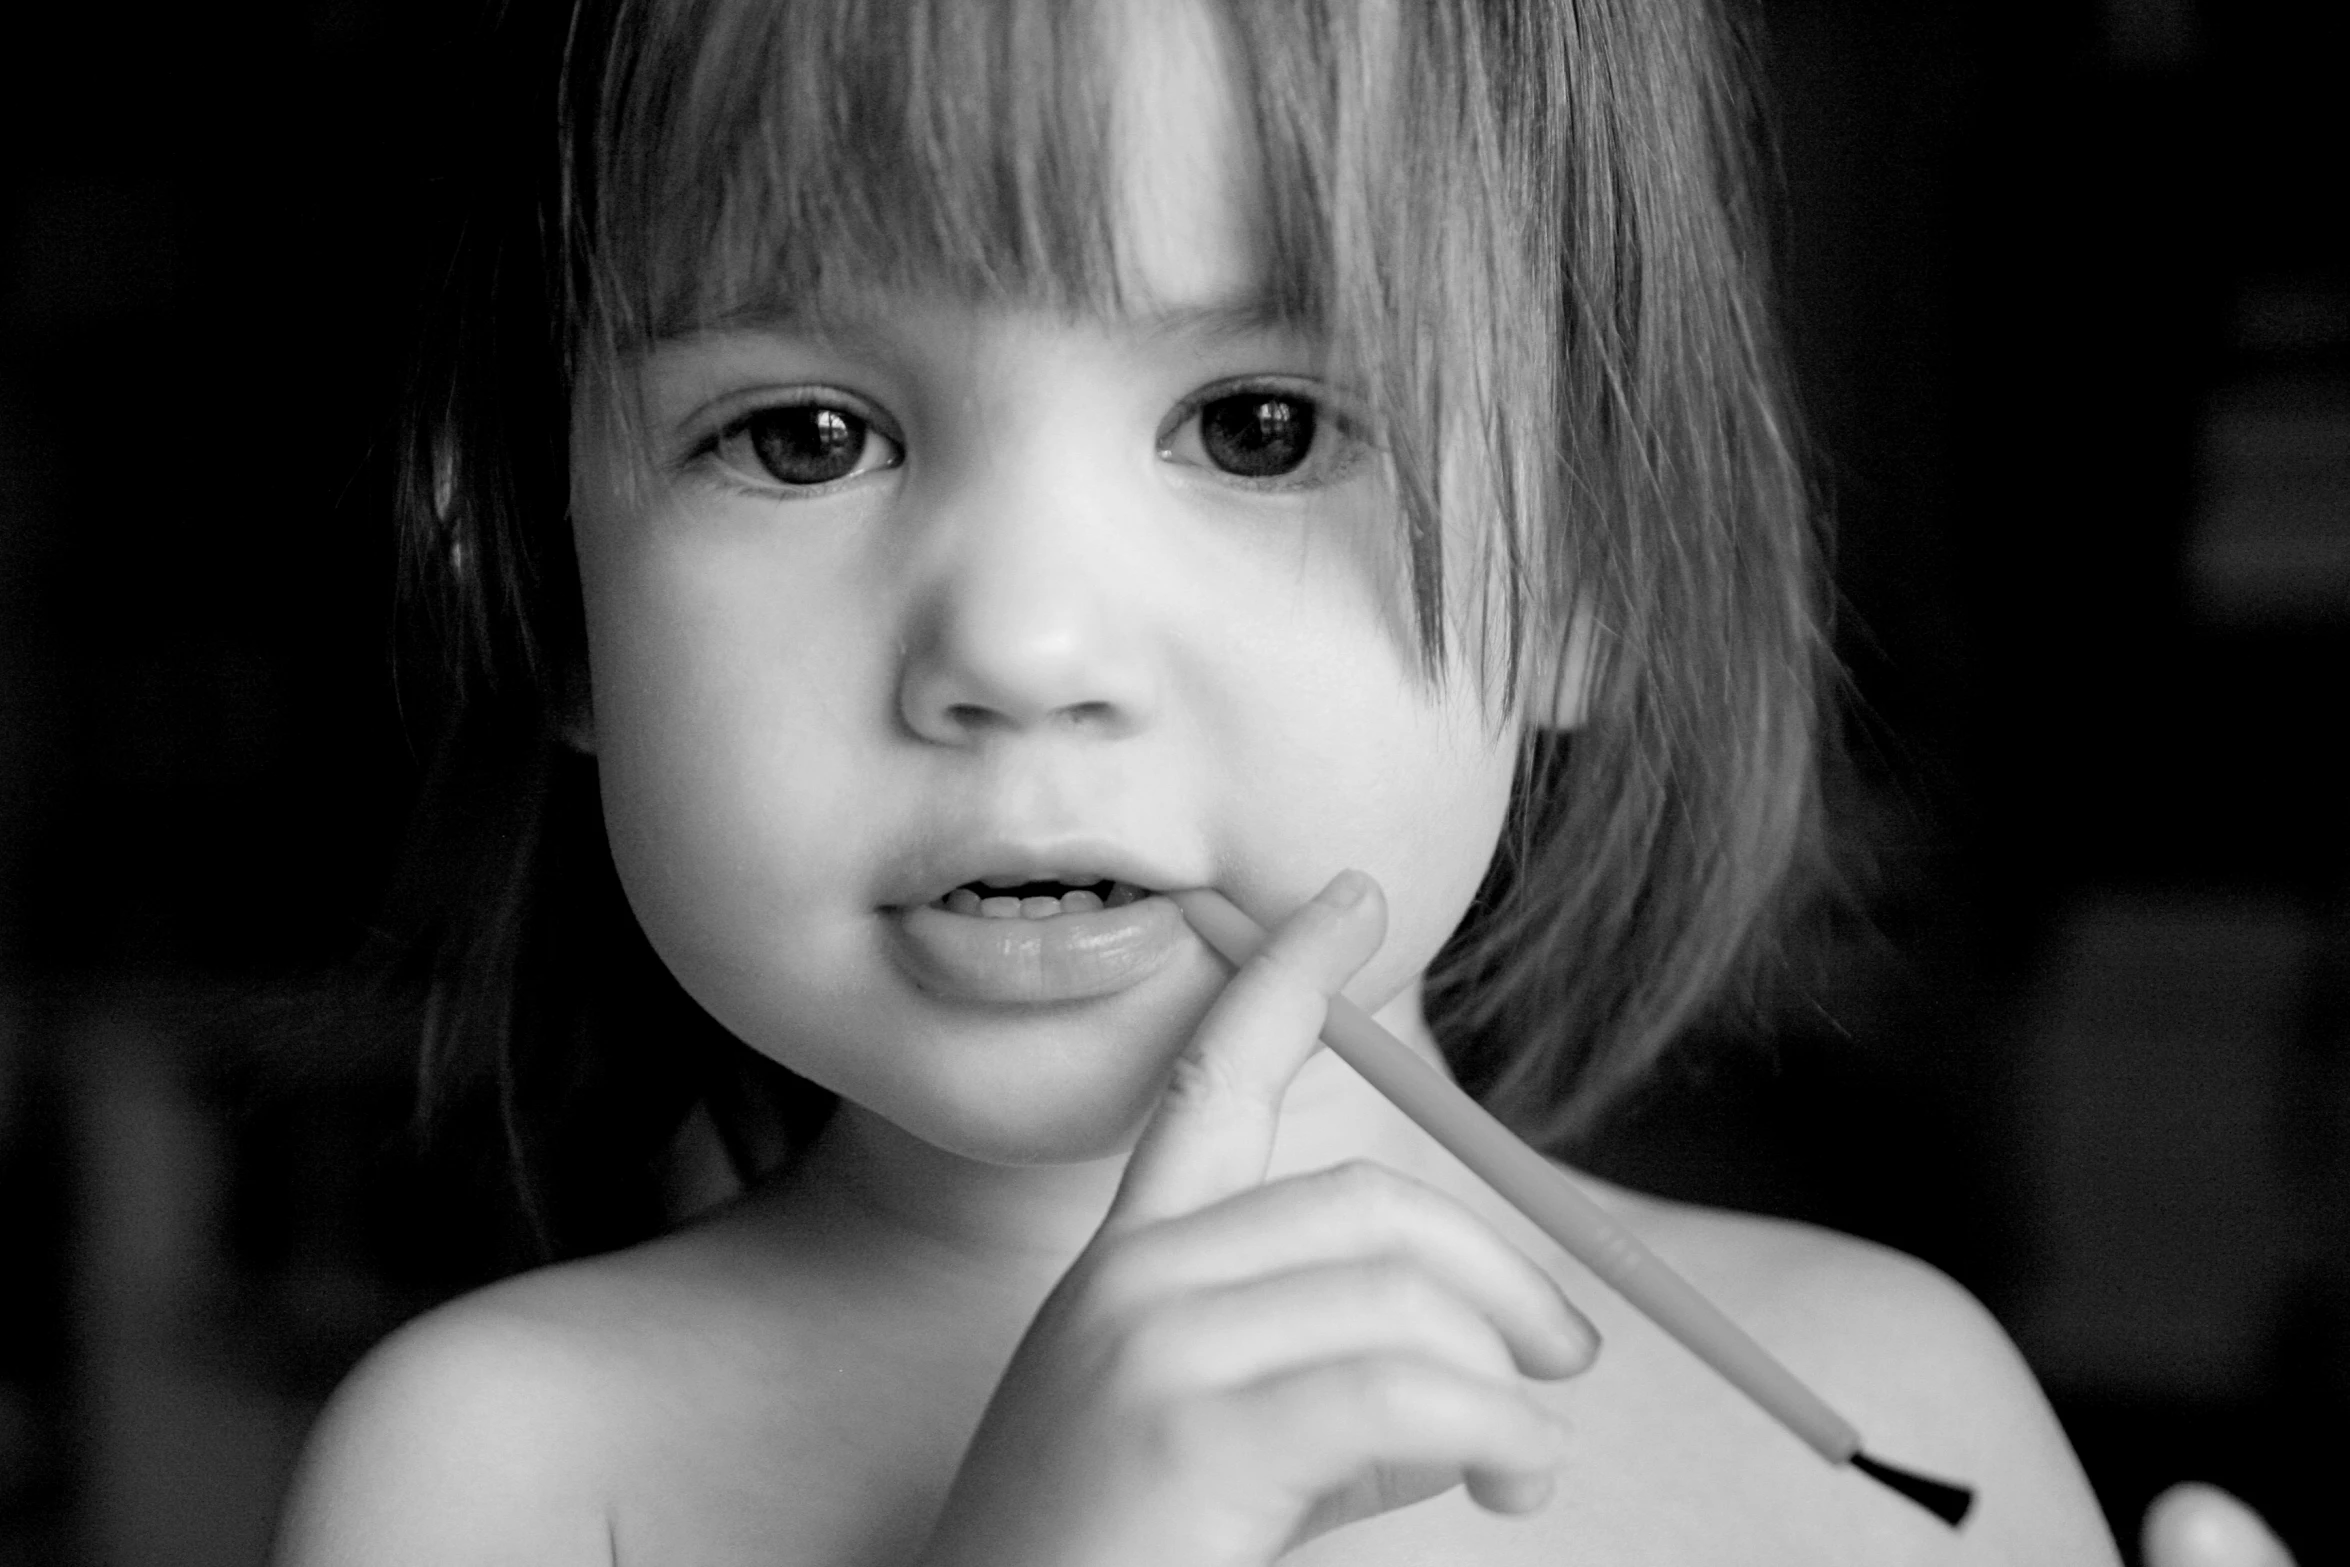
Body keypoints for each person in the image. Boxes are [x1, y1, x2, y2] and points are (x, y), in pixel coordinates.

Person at [272, 0, 2133, 1561]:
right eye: (803, 434)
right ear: (549, 585)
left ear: (1591, 565)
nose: (1021, 645)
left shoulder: (1898, 1401)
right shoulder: (499, 1473)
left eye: (1260, 428)